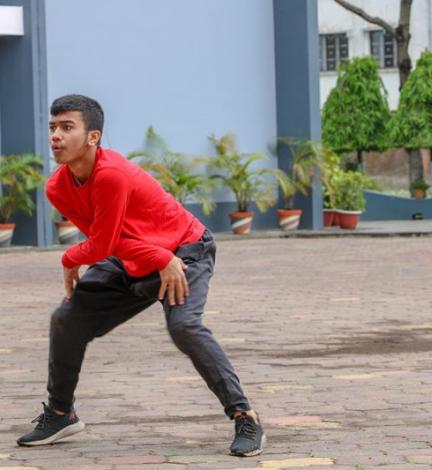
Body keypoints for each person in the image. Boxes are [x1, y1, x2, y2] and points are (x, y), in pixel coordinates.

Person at [16, 94, 265, 457]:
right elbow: (105, 241)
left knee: (185, 326)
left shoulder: (111, 174)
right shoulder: (58, 187)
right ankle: (59, 414)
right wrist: (153, 255)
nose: (56, 135)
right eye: (53, 127)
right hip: (138, 258)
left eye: (67, 127)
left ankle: (246, 416)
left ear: (93, 137)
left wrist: (72, 257)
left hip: (184, 251)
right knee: (66, 319)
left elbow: (100, 245)